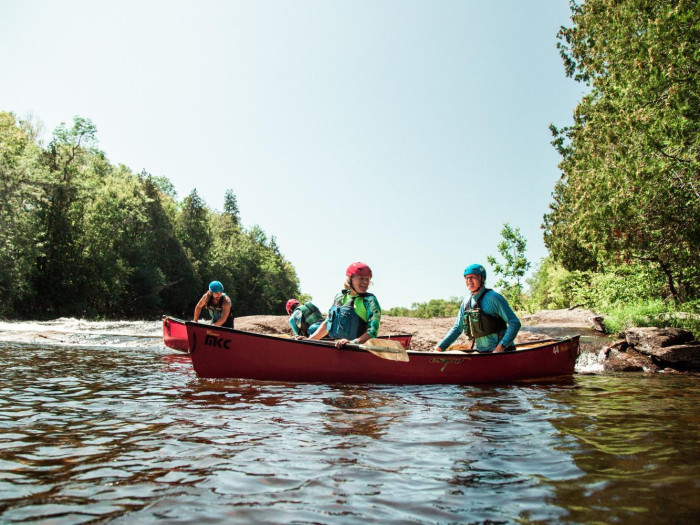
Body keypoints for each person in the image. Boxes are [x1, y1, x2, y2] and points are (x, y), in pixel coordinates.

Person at [434, 264, 520, 353]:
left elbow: (514, 323)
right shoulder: (466, 302)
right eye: (466, 278)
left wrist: (501, 347)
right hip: (482, 352)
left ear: (482, 279)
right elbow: (457, 328)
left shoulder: (493, 298)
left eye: (472, 277)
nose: (469, 280)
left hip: (502, 352)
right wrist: (440, 347)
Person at [308, 262, 381, 348]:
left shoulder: (370, 301)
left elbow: (372, 331)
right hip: (337, 348)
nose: (365, 282)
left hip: (356, 350)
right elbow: (327, 324)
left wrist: (353, 343)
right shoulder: (339, 297)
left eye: (367, 279)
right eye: (361, 278)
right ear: (350, 279)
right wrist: (308, 340)